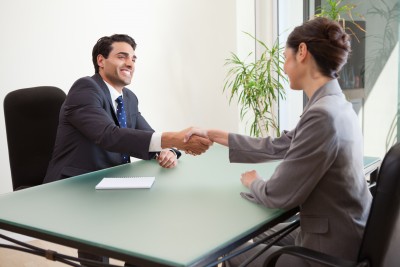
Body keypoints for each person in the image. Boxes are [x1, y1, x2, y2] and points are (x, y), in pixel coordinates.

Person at [185, 17, 372, 267]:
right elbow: (279, 145)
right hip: (343, 230)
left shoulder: (322, 115)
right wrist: (212, 134)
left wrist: (254, 182)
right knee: (259, 232)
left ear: (302, 52)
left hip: (329, 251)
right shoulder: (335, 104)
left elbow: (279, 195)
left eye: (285, 58)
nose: (283, 68)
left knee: (231, 251)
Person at [43, 34, 212, 266]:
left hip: (111, 182)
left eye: (133, 58)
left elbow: (147, 135)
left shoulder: (129, 98)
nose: (130, 63)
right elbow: (108, 135)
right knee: (109, 228)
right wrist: (175, 139)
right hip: (76, 184)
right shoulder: (85, 89)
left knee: (154, 222)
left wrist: (170, 150)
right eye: (122, 56)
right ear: (101, 60)